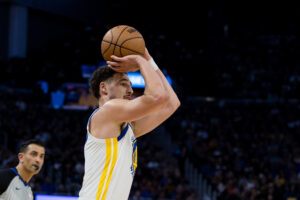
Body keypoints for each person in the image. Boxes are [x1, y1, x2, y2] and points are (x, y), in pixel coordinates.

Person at [79, 48, 180, 200]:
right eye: (124, 84)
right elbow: (158, 97)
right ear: (103, 88)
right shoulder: (107, 111)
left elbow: (172, 103)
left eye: (130, 85)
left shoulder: (128, 128)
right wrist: (140, 61)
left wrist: (148, 58)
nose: (131, 90)